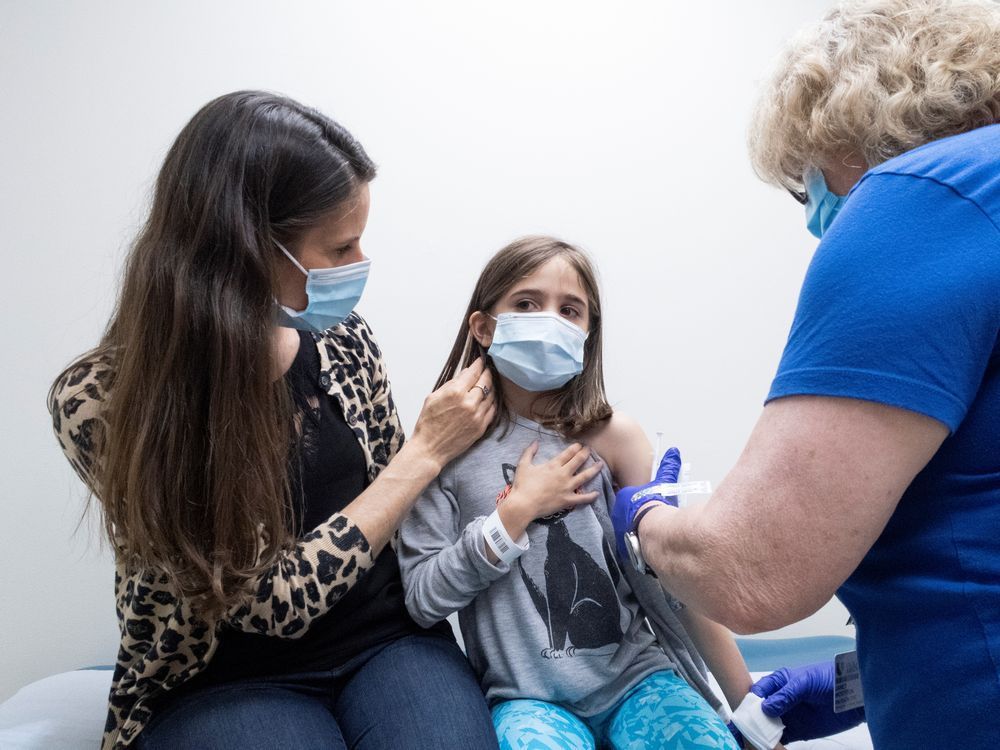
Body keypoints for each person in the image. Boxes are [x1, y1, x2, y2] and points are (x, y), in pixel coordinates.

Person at [47, 91, 502, 750]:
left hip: (385, 641)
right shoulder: (100, 402)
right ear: (246, 247)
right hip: (220, 677)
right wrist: (426, 452)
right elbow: (269, 601)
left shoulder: (345, 342)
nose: (360, 266)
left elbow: (405, 521)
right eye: (340, 247)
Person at [611, 1, 1000, 747]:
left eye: (804, 183)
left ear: (842, 125)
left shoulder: (923, 197)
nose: (814, 212)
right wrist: (861, 676)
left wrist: (646, 521)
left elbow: (749, 573)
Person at [397, 236, 753, 750]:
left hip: (637, 680)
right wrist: (514, 513)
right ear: (483, 327)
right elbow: (423, 600)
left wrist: (751, 711)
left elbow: (674, 588)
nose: (550, 320)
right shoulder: (444, 448)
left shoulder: (614, 438)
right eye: (526, 304)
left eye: (570, 310)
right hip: (527, 701)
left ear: (588, 332)